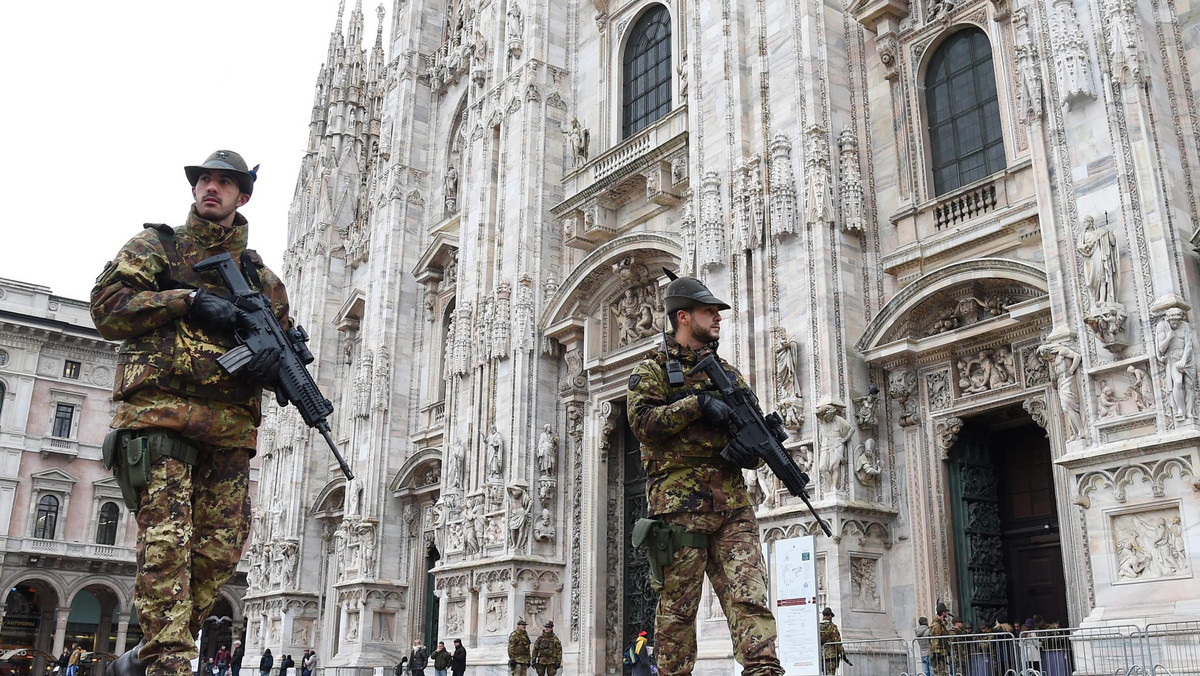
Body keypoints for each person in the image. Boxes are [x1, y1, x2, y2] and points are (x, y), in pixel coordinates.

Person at [96, 151, 290, 676]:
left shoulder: (263, 281)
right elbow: (106, 307)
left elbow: (280, 357)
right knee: (166, 546)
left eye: (225, 183)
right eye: (205, 179)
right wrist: (186, 300)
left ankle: (144, 656)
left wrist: (274, 361)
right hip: (159, 417)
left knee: (220, 554)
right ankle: (169, 666)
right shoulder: (156, 246)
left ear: (242, 196)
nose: (212, 188)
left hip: (227, 430)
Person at [626, 274, 783, 676]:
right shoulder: (653, 370)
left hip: (732, 504)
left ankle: (764, 669)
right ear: (682, 317)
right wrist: (695, 406)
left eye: (717, 312)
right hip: (680, 508)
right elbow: (643, 423)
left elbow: (745, 432)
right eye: (708, 311)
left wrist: (757, 445)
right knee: (678, 610)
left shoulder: (728, 373)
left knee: (750, 596)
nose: (717, 318)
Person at [819, 608, 846, 675]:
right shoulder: (832, 627)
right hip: (831, 656)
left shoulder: (817, 626)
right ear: (829, 616)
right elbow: (837, 642)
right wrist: (842, 654)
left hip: (820, 656)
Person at [928, 604, 951, 676]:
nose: (946, 613)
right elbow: (935, 639)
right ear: (943, 612)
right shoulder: (936, 624)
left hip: (942, 651)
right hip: (938, 653)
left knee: (943, 672)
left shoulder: (941, 623)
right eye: (945, 612)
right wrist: (936, 652)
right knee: (939, 673)